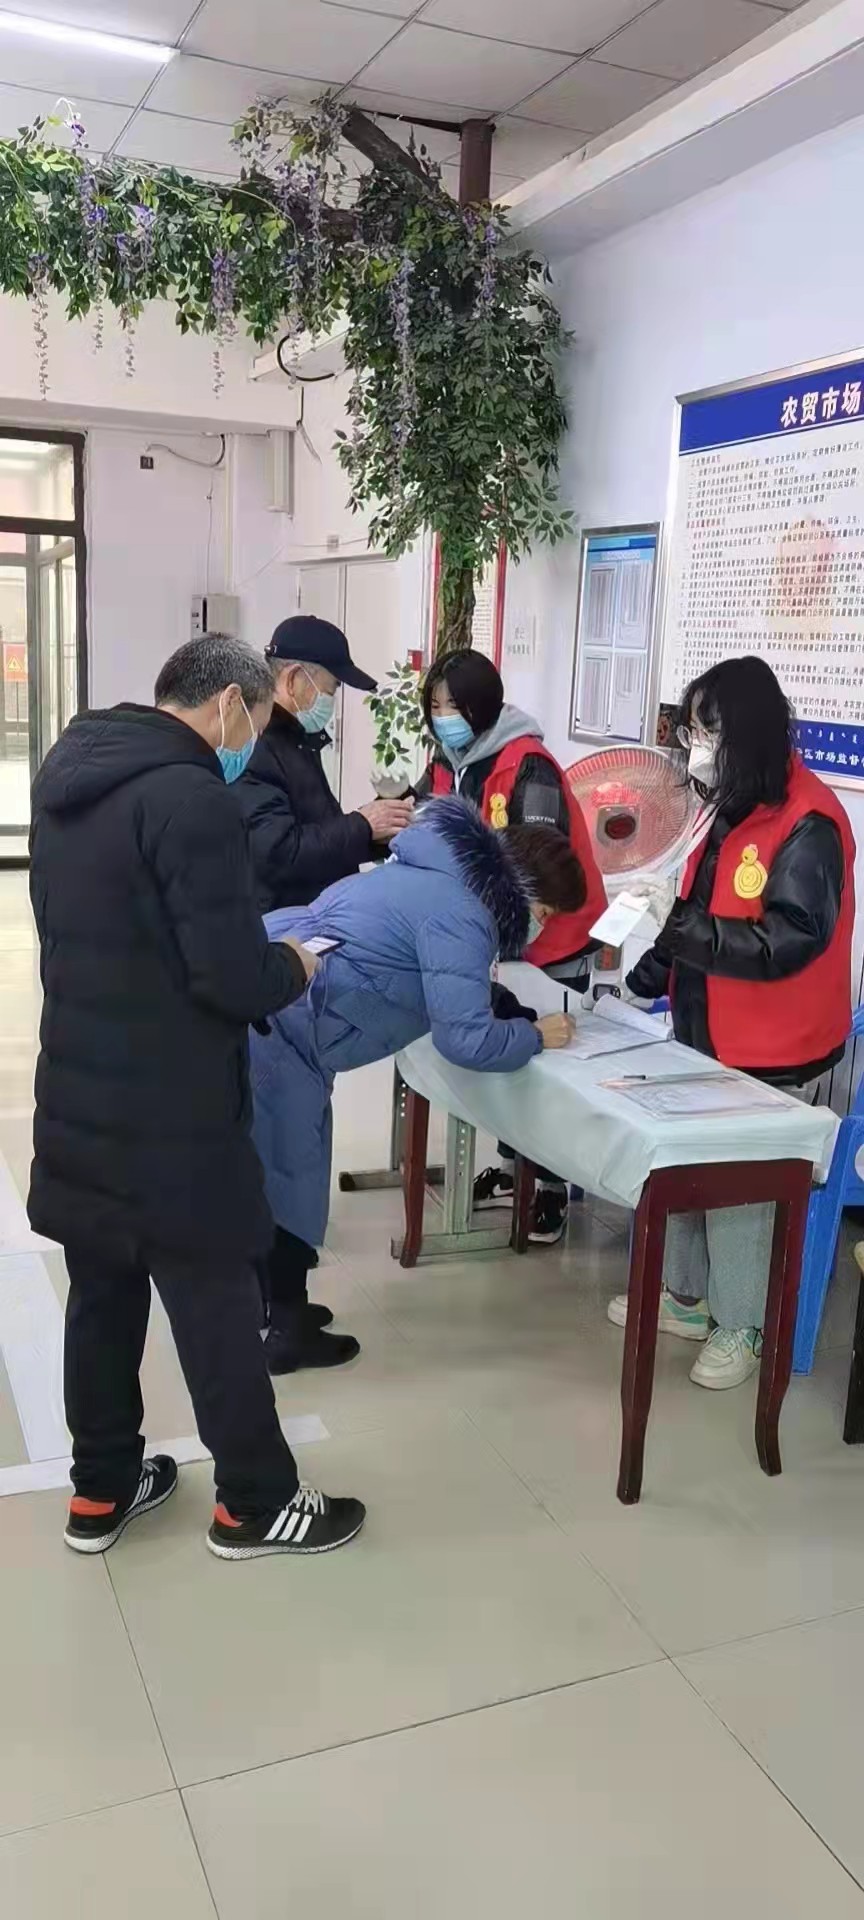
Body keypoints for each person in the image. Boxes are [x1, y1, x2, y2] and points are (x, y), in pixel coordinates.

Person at [28, 634, 364, 1562]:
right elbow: (229, 977)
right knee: (214, 1299)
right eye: (256, 724)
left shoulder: (68, 773)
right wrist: (292, 963)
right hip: (173, 1111)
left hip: (79, 1088)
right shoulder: (193, 799)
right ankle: (255, 1502)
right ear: (228, 706)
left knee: (101, 1298)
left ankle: (100, 1489)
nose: (251, 743)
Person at [249, 796, 586, 1371]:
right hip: (287, 1024)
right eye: (547, 912)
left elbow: (422, 967)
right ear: (522, 889)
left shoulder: (438, 873)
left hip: (282, 995)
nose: (542, 926)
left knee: (279, 1166)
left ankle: (275, 1306)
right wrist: (534, 1037)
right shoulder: (465, 914)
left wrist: (502, 1007)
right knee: (289, 1171)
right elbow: (464, 1040)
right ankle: (283, 1329)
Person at [608, 655, 856, 1390]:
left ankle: (743, 1324)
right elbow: (691, 913)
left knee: (741, 1192)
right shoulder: (726, 806)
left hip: (773, 1046)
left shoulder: (810, 821)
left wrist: (681, 927)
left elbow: (788, 941)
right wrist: (638, 983)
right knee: (687, 1166)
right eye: (691, 732)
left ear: (749, 733)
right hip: (703, 1030)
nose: (696, 749)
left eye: (708, 733)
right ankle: (686, 1298)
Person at [418, 649, 608, 1244]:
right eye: (435, 705)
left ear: (483, 706)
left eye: (454, 705)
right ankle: (511, 1167)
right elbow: (426, 816)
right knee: (510, 1054)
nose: (444, 717)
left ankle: (549, 1186)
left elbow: (541, 865)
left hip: (551, 936)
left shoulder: (529, 766)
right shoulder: (451, 759)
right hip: (497, 934)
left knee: (546, 1064)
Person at [235, 613, 414, 912]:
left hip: (315, 913)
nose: (331, 700)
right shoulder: (257, 745)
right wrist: (362, 824)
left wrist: (381, 827)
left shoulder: (297, 739)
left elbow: (321, 833)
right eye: (331, 689)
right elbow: (278, 852)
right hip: (283, 923)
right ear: (293, 679)